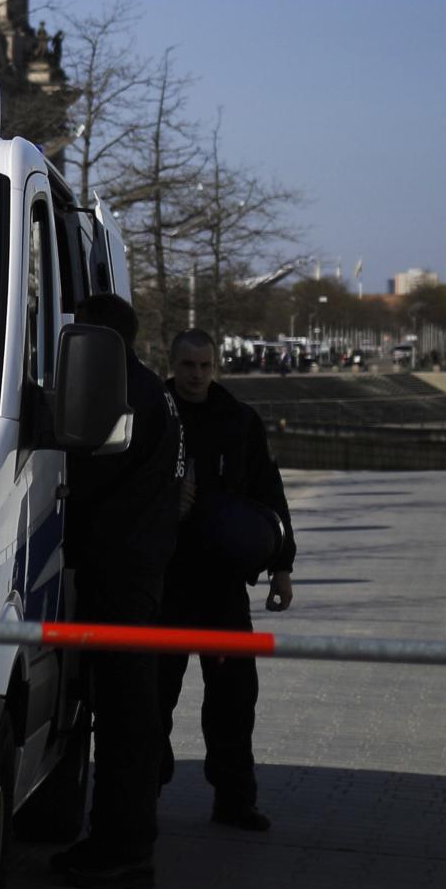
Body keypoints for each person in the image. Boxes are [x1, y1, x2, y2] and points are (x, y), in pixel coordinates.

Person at [48, 292, 186, 889]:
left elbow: (88, 473)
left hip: (122, 571)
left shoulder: (125, 392)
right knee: (131, 709)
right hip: (141, 565)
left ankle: (122, 846)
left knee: (127, 712)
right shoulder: (154, 390)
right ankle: (121, 839)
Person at [155, 328, 294, 831]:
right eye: (188, 365)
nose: (196, 374)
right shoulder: (155, 414)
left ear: (216, 367)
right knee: (155, 696)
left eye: (204, 366)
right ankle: (143, 793)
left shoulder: (238, 421)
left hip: (221, 585)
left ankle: (235, 800)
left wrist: (282, 566)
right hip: (165, 582)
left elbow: (268, 492)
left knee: (234, 699)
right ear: (172, 362)